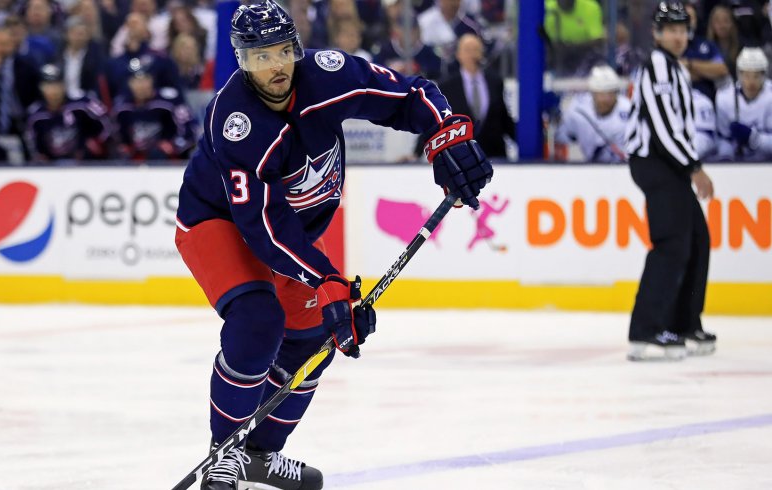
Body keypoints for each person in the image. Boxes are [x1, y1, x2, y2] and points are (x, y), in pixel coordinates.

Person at [173, 1, 492, 488]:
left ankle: (258, 454)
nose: (276, 66)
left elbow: (410, 94)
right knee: (258, 322)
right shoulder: (235, 122)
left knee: (318, 337)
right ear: (242, 62)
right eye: (261, 58)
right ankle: (225, 451)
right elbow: (263, 225)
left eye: (282, 51)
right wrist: (325, 278)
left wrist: (445, 135)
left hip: (291, 232)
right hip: (220, 223)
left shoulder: (329, 75)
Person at [623, 2, 716, 362]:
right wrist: (694, 167)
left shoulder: (676, 68)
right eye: (671, 29)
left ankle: (682, 323)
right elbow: (662, 127)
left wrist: (688, 165)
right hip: (655, 163)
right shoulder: (657, 66)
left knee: (697, 239)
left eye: (682, 29)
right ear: (657, 34)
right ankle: (645, 332)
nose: (678, 36)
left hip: (670, 164)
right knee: (671, 243)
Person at [437, 33, 514, 159]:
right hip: (461, 157)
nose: (472, 54)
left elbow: (504, 119)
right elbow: (436, 122)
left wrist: (527, 144)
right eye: (467, 50)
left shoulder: (494, 82)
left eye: (476, 50)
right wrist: (415, 153)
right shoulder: (447, 86)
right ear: (458, 55)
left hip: (494, 156)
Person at [113, 57, 198, 161]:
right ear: (129, 84)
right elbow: (117, 137)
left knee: (157, 154)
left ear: (152, 80)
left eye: (145, 79)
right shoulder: (122, 107)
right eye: (136, 81)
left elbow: (191, 131)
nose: (142, 85)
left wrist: (173, 146)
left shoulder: (169, 102)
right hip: (135, 161)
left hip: (168, 161)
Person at [25, 64, 111, 163]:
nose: (53, 90)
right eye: (48, 85)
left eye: (57, 84)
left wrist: (97, 144)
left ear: (64, 85)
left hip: (86, 166)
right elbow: (33, 146)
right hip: (52, 170)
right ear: (41, 88)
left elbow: (107, 124)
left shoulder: (83, 105)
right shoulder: (35, 116)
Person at [556, 65, 631, 163]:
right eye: (602, 94)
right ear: (593, 93)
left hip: (623, 167)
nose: (607, 99)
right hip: (588, 169)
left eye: (611, 93)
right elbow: (560, 138)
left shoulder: (629, 110)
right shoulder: (577, 110)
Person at [715, 48, 772, 161]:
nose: (751, 82)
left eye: (756, 76)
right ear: (739, 74)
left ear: (764, 75)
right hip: (737, 163)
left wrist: (754, 138)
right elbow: (722, 138)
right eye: (746, 75)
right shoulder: (724, 97)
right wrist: (726, 156)